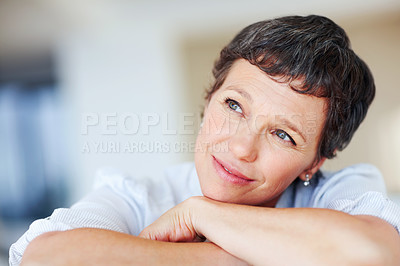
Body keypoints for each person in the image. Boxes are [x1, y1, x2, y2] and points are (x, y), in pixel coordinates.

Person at [10, 15, 400, 265]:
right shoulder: (135, 196)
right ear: (208, 100)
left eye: (283, 134)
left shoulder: (342, 192)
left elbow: (373, 255)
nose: (242, 148)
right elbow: (46, 259)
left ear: (315, 162)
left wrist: (198, 214)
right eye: (234, 106)